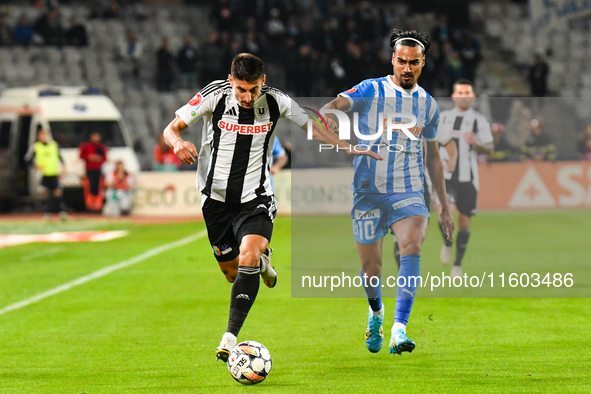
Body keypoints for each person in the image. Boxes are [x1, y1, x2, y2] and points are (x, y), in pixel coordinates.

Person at [163, 53, 380, 363]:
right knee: (232, 272)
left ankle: (229, 336)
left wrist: (350, 147)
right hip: (215, 202)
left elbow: (313, 126)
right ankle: (262, 264)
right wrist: (177, 143)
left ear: (263, 82)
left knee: (248, 254)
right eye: (241, 89)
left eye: (253, 89)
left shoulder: (276, 101)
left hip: (256, 198)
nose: (247, 97)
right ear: (231, 81)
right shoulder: (214, 95)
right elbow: (171, 129)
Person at [322, 30, 454, 356]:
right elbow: (335, 104)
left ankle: (399, 328)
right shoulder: (371, 88)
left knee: (412, 246)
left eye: (414, 62)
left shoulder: (428, 105)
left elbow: (433, 155)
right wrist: (330, 115)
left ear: (423, 63)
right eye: (401, 61)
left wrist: (444, 204)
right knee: (372, 270)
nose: (407, 68)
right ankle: (376, 312)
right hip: (368, 190)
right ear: (392, 60)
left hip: (409, 189)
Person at [437, 79, 493, 278]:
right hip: (446, 175)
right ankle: (446, 243)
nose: (463, 96)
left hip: (468, 178)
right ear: (453, 96)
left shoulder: (479, 121)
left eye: (467, 92)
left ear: (472, 97)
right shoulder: (442, 118)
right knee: (447, 211)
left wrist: (477, 142)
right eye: (460, 92)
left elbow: (490, 148)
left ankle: (457, 264)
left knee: (464, 223)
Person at [24, 128, 67, 220]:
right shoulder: (36, 146)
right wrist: (35, 165)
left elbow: (60, 157)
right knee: (44, 193)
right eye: (42, 135)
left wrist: (63, 167)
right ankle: (47, 214)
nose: (44, 137)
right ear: (39, 136)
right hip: (42, 173)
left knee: (57, 192)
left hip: (54, 172)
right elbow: (27, 159)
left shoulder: (54, 145)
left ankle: (62, 213)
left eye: (45, 135)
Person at [79, 131, 107, 211]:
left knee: (97, 187)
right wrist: (89, 157)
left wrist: (98, 158)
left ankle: (97, 206)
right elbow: (82, 155)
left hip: (98, 169)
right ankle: (89, 205)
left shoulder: (101, 147)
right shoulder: (86, 146)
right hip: (89, 169)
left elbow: (104, 158)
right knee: (89, 186)